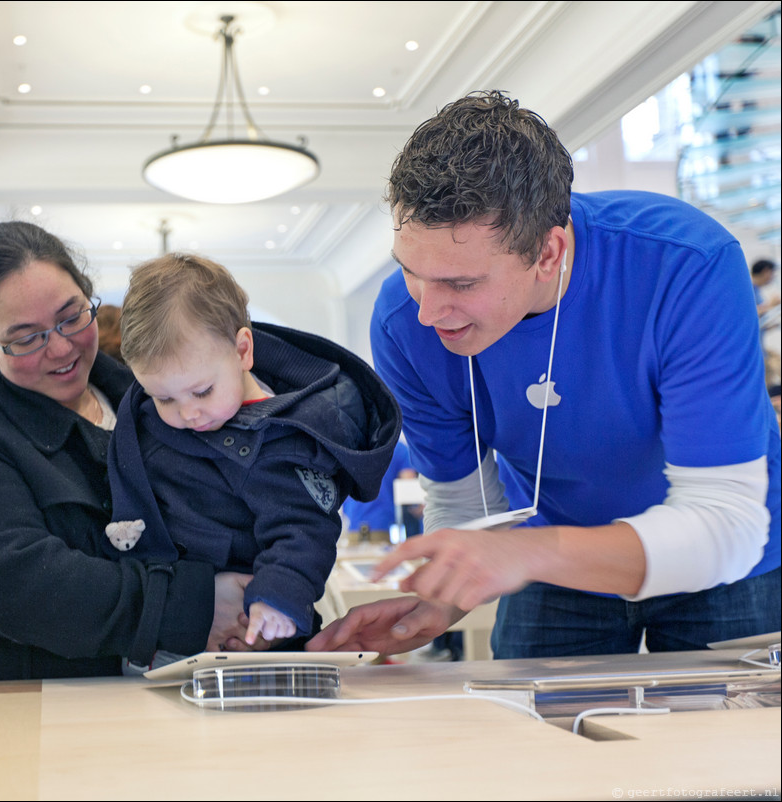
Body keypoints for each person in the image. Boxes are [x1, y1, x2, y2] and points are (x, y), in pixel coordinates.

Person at [310, 91, 780, 659]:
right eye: (411, 270)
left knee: (724, 744)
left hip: (730, 562)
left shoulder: (685, 264)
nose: (429, 312)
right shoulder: (402, 322)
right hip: (554, 563)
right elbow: (465, 509)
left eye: (461, 284)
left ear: (550, 252)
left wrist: (523, 555)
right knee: (523, 740)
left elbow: (723, 526)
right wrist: (440, 600)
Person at [0, 221, 258, 682]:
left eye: (71, 316)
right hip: (37, 703)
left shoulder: (152, 396)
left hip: (191, 688)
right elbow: (23, 586)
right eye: (27, 337)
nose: (61, 347)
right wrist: (193, 605)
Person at [104, 253, 400, 653]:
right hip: (170, 621)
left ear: (243, 351)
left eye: (202, 391)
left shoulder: (284, 441)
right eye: (163, 397)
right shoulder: (151, 414)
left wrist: (276, 597)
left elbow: (303, 528)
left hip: (256, 625)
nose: (188, 412)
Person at [341, 438, 420, 543]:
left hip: (353, 526)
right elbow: (409, 488)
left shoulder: (350, 447)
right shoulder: (398, 449)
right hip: (382, 527)